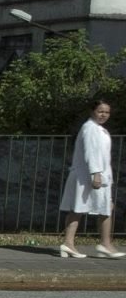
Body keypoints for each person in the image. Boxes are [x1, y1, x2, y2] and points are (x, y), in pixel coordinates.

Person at [59, 98, 121, 259]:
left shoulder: (99, 129)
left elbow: (103, 157)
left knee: (101, 208)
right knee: (80, 209)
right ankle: (76, 243)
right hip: (89, 176)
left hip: (97, 176)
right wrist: (96, 174)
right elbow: (91, 152)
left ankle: (100, 244)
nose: (104, 115)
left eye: (107, 112)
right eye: (100, 111)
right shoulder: (90, 128)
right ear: (92, 111)